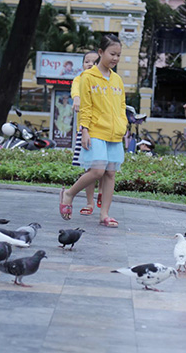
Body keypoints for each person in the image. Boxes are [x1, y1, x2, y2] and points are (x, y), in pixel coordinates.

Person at [59, 35, 127, 227]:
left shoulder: (117, 80)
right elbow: (86, 107)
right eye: (112, 54)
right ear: (100, 53)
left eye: (118, 55)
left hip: (115, 134)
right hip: (95, 131)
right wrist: (85, 130)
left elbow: (122, 106)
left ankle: (104, 214)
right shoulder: (87, 77)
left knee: (110, 174)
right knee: (97, 170)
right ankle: (69, 193)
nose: (115, 58)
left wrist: (123, 125)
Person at [70, 51, 102, 215]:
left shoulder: (106, 81)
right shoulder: (80, 79)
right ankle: (89, 202)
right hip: (86, 132)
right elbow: (76, 91)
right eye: (86, 61)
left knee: (107, 169)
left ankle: (102, 193)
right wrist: (76, 98)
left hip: (105, 132)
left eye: (94, 61)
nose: (90, 64)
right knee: (90, 169)